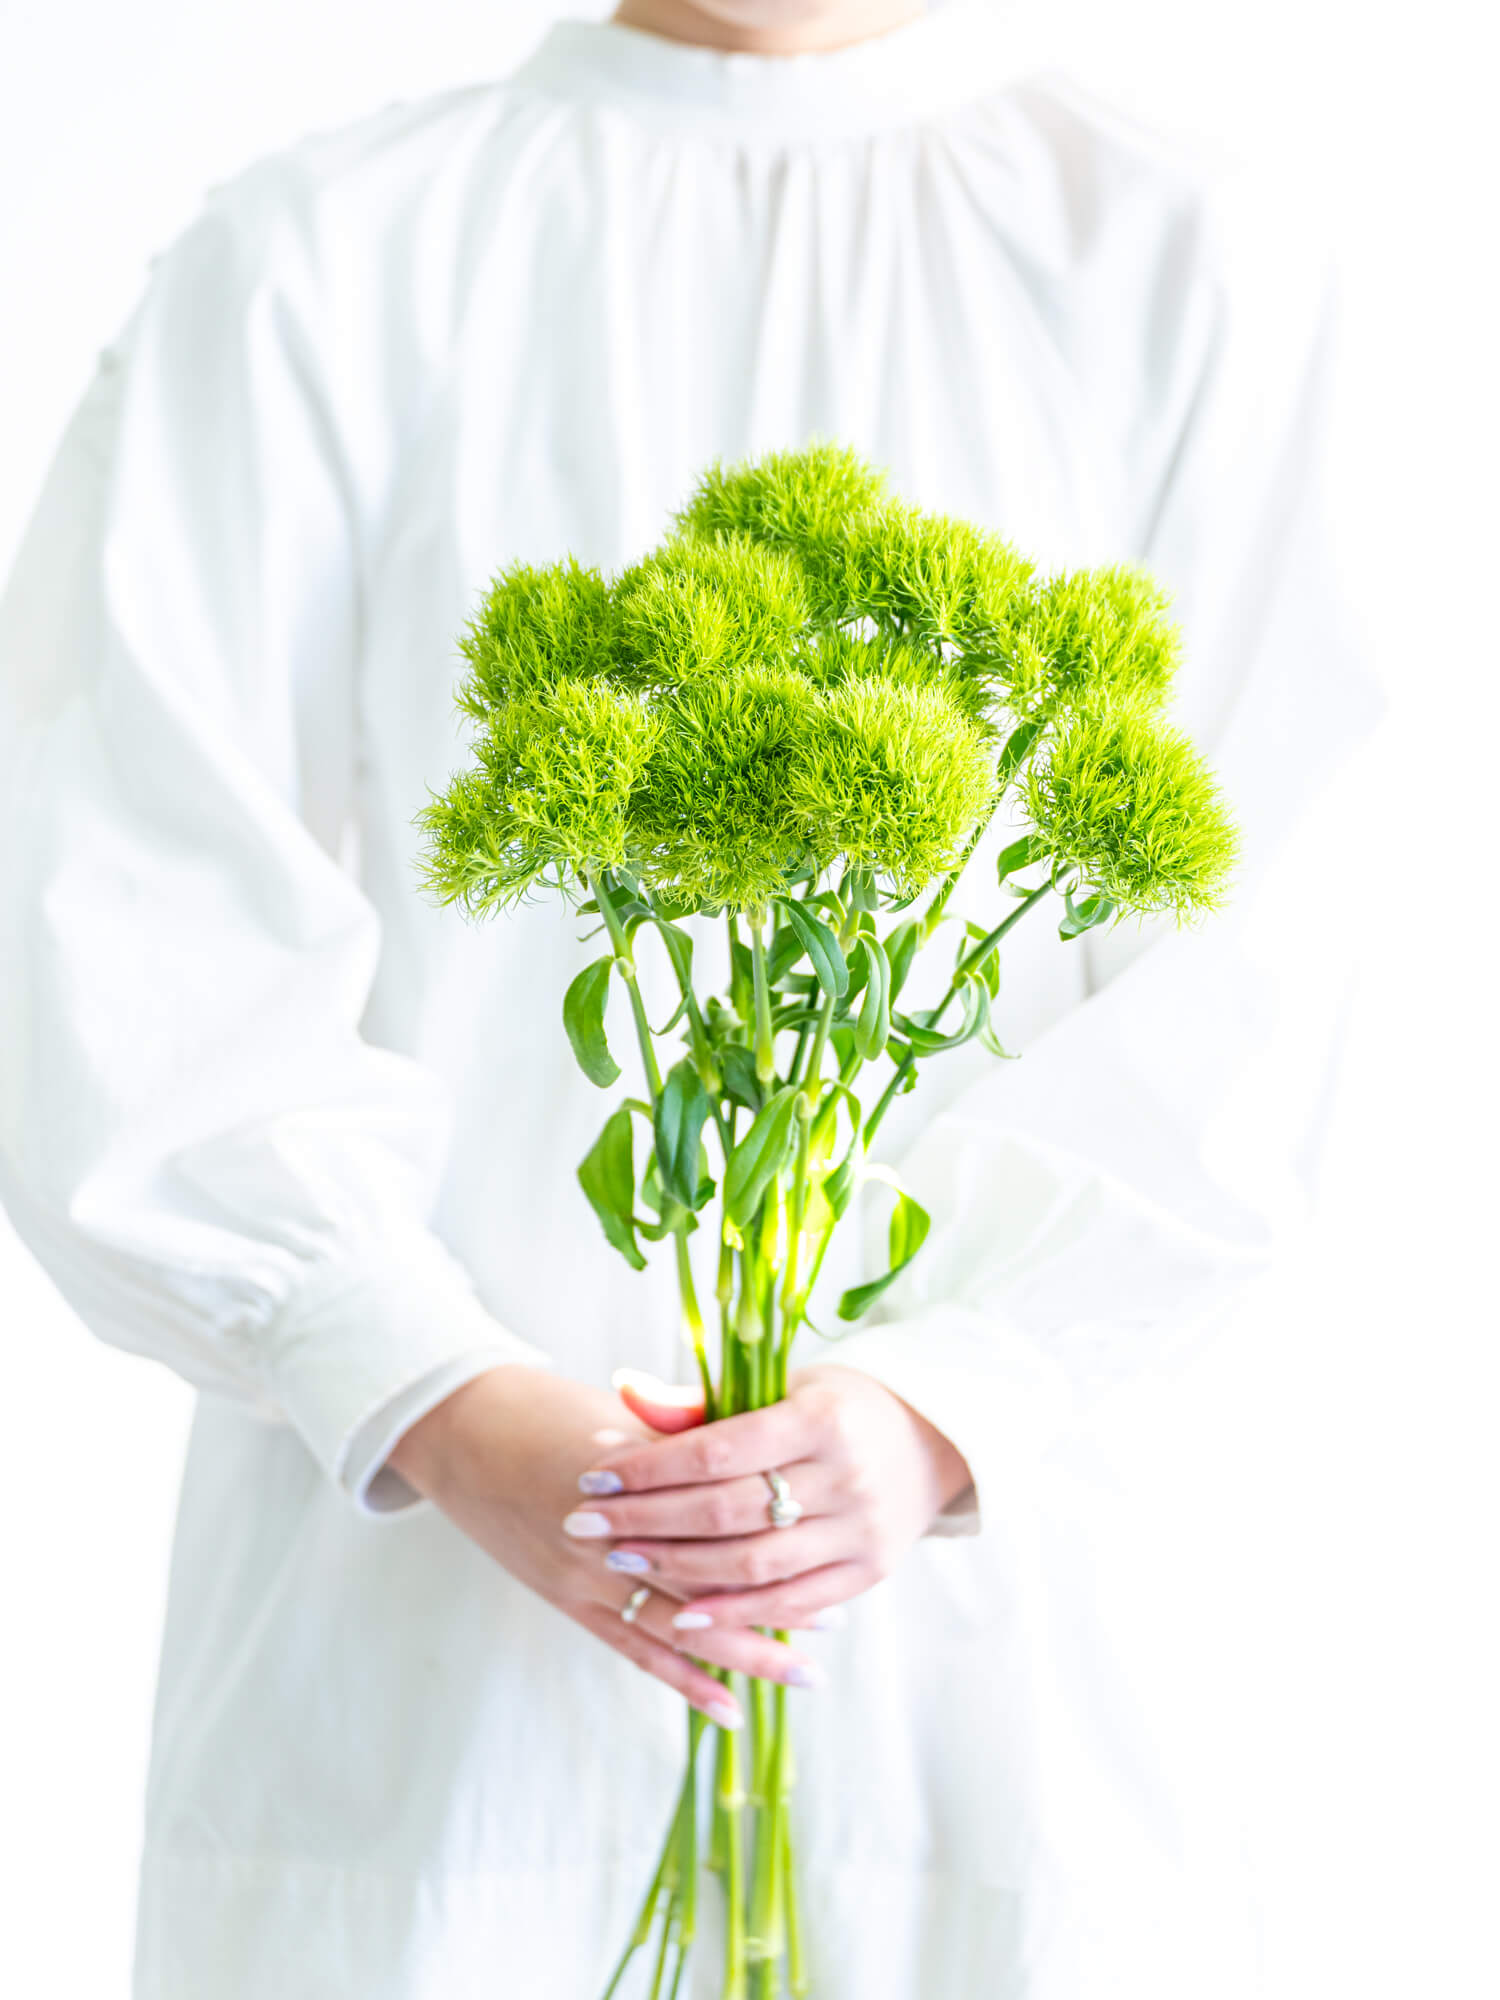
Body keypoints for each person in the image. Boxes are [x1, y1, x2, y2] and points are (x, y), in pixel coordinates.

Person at [0, 0, 1380, 1993]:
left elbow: (1271, 938)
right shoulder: (320, 256)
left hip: (1004, 1667)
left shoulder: (1192, 253)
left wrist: (946, 1401)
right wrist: (432, 1390)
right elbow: (121, 896)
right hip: (425, 1645)